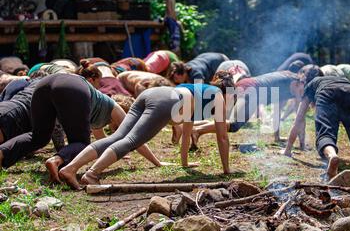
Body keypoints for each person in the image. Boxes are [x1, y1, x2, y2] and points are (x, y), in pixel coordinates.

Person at [59, 73, 235, 189]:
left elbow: (187, 132)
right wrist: (227, 171)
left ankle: (70, 168)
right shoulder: (217, 95)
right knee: (130, 141)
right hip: (166, 101)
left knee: (118, 136)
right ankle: (92, 174)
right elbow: (223, 138)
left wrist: (185, 163)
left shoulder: (201, 92)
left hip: (151, 94)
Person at [0, 74, 157, 182]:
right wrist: (157, 163)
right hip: (72, 86)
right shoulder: (115, 108)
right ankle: (56, 161)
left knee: (39, 137)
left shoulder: (97, 114)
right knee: (82, 143)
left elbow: (102, 145)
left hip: (44, 84)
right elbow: (134, 137)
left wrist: (116, 157)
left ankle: (2, 153)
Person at [283, 65, 350, 182]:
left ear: (306, 80)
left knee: (325, 135)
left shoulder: (311, 85)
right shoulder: (341, 79)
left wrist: (288, 149)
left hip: (327, 94)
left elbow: (298, 120)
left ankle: (332, 156)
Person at [191, 70, 303, 146]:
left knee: (230, 121)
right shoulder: (289, 82)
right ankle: (197, 130)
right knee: (234, 124)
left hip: (247, 86)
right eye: (301, 90)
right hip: (250, 89)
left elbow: (277, 111)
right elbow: (300, 118)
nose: (301, 94)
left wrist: (277, 137)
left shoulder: (288, 86)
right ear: (296, 83)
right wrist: (302, 144)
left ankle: (194, 126)